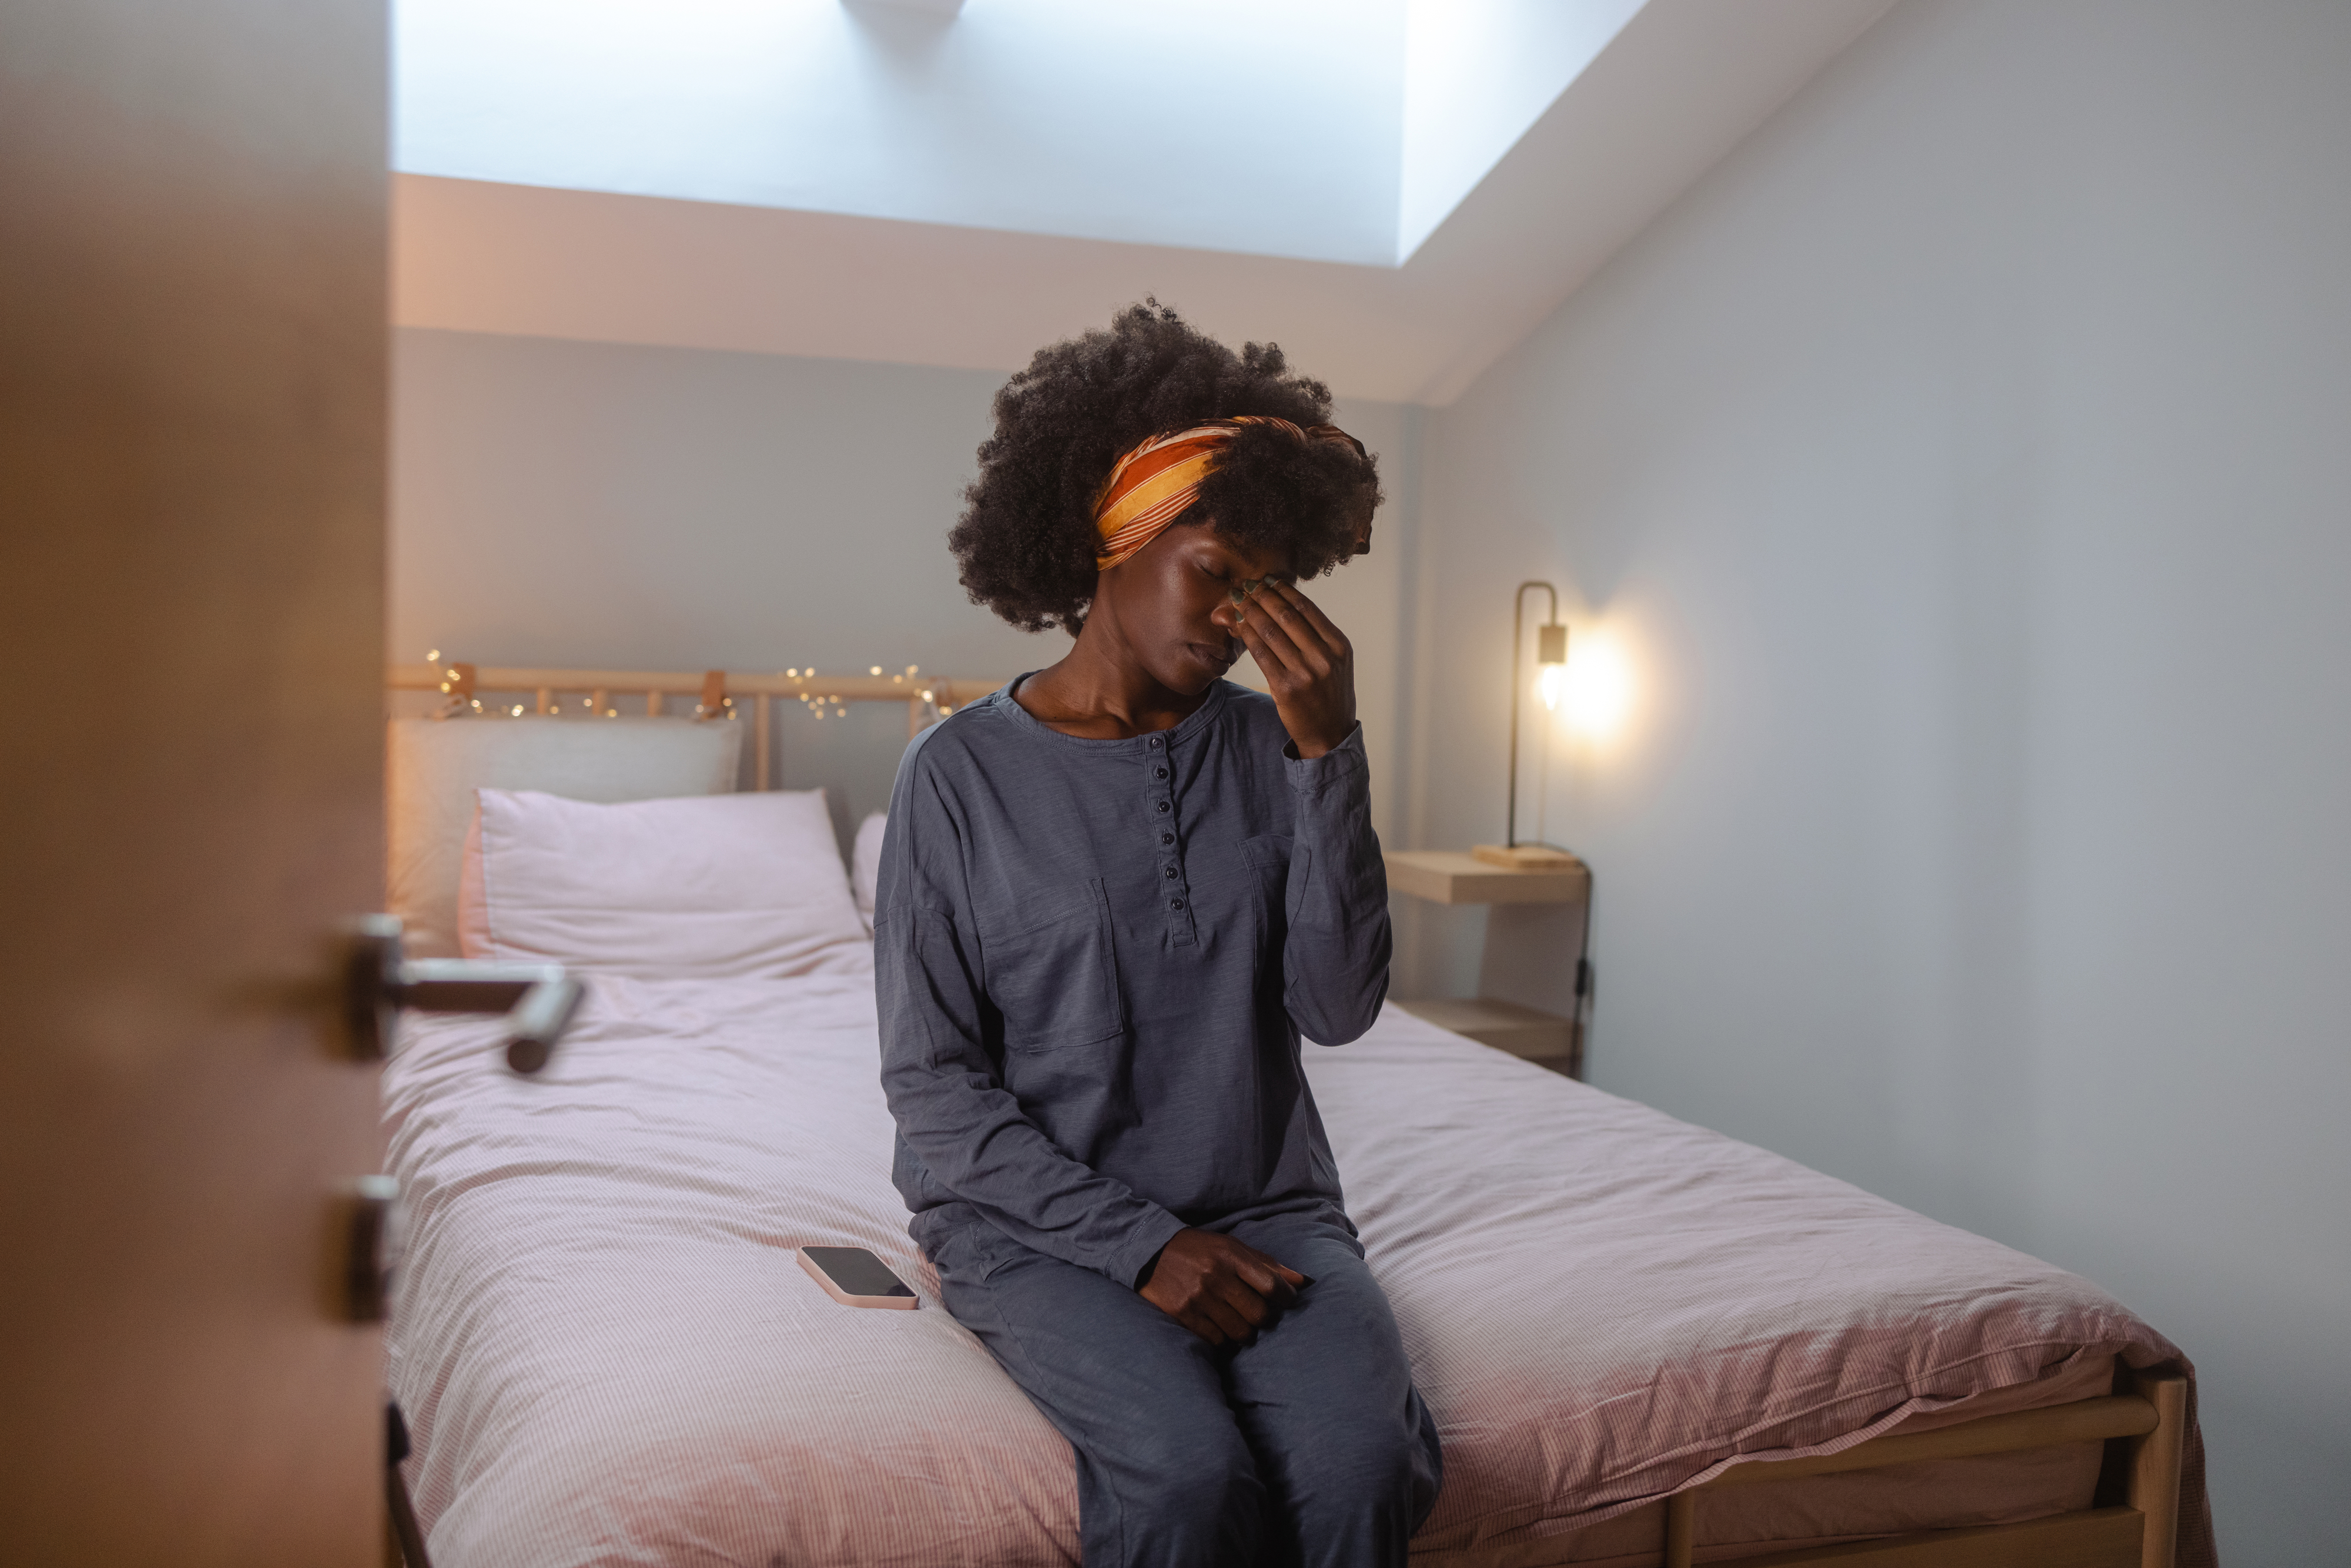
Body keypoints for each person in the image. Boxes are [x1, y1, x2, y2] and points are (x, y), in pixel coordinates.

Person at [874, 302, 1441, 1568]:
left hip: (1268, 1206)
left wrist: (1324, 752)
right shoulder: (953, 776)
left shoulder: (1269, 746)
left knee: (1362, 1464)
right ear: (1113, 541)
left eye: (1268, 587)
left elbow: (1337, 1007)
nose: (1244, 618)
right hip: (1030, 1230)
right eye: (1217, 572)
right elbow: (931, 1089)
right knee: (1184, 1477)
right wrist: (1144, 1245)